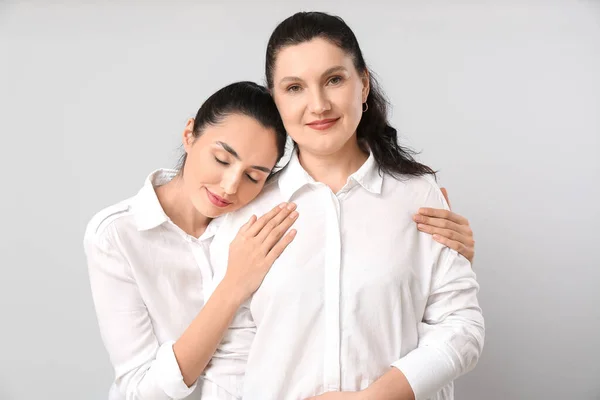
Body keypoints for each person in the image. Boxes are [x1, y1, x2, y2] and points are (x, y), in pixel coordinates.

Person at [207, 12, 484, 400]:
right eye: (294, 88)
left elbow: (461, 327)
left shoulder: (418, 195)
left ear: (364, 83)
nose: (318, 105)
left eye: (334, 80)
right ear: (276, 101)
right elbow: (229, 356)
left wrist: (375, 398)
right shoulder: (247, 210)